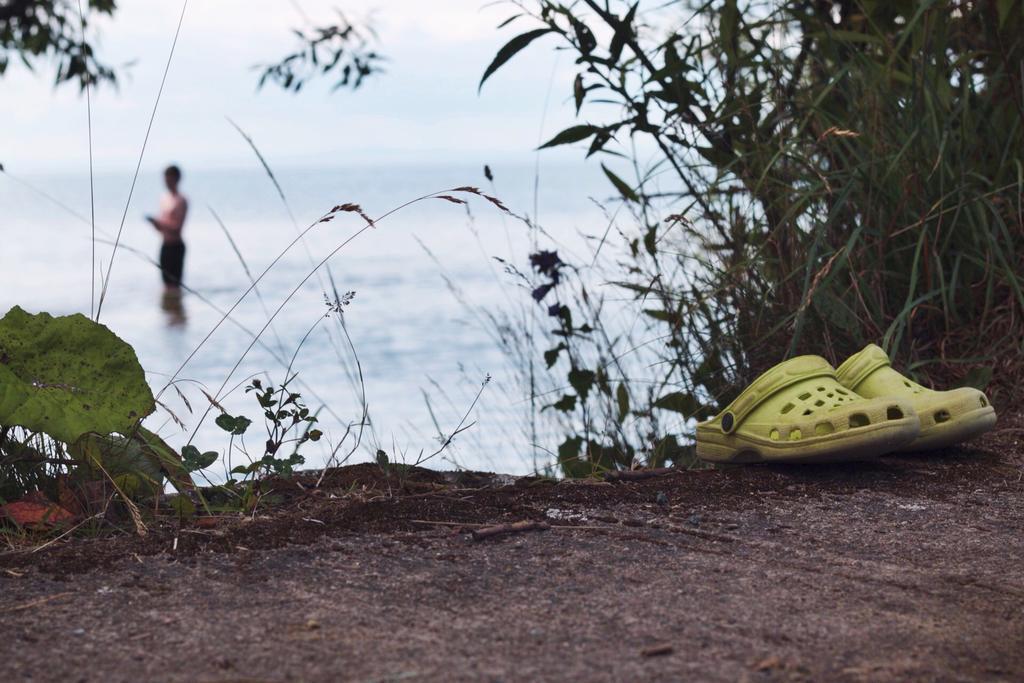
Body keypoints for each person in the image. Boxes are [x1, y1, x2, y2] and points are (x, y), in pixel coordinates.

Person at [146, 165, 189, 290]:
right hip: (165, 245)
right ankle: (170, 309)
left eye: (170, 179)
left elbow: (177, 227)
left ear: (177, 179)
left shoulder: (181, 200)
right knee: (165, 285)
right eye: (166, 179)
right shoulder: (164, 198)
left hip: (176, 246)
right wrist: (155, 224)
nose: (167, 182)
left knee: (175, 285)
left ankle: (175, 308)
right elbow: (161, 228)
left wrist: (159, 223)